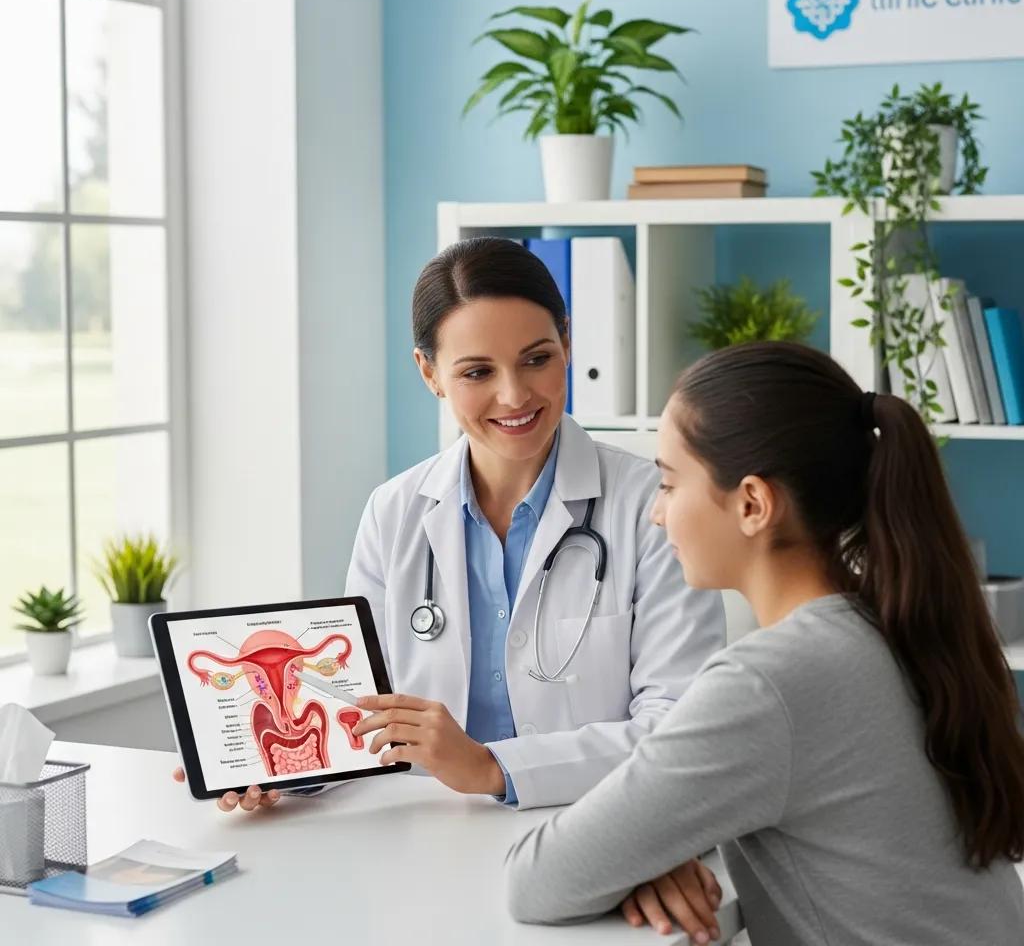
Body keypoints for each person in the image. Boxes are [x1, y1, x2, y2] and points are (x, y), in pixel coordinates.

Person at [176, 237, 724, 813]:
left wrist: (489, 768)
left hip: (596, 824)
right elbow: (361, 710)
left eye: (537, 358)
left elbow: (679, 730)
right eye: (477, 371)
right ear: (430, 373)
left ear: (567, 341)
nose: (514, 394)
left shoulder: (651, 506)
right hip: (430, 840)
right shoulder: (394, 513)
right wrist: (283, 765)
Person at [505, 341, 1024, 944]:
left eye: (670, 484)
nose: (655, 513)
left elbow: (537, 881)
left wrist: (645, 847)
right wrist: (655, 842)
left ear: (752, 504)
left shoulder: (771, 681)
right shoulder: (881, 623)